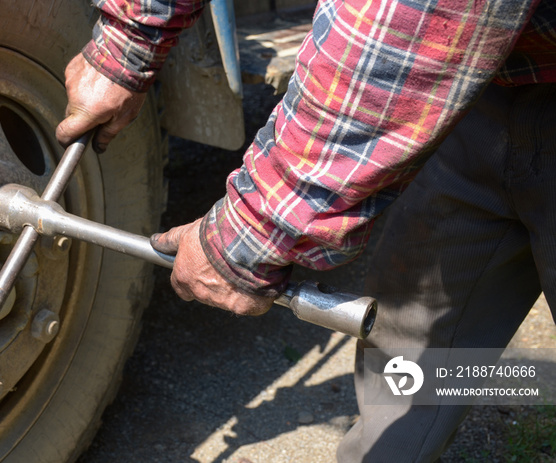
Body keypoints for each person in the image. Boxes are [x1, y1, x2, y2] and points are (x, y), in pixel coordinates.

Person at [56, 0, 556, 460]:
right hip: (483, 96)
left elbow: (419, 17)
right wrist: (128, 42)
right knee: (406, 349)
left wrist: (253, 230)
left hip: (473, 54)